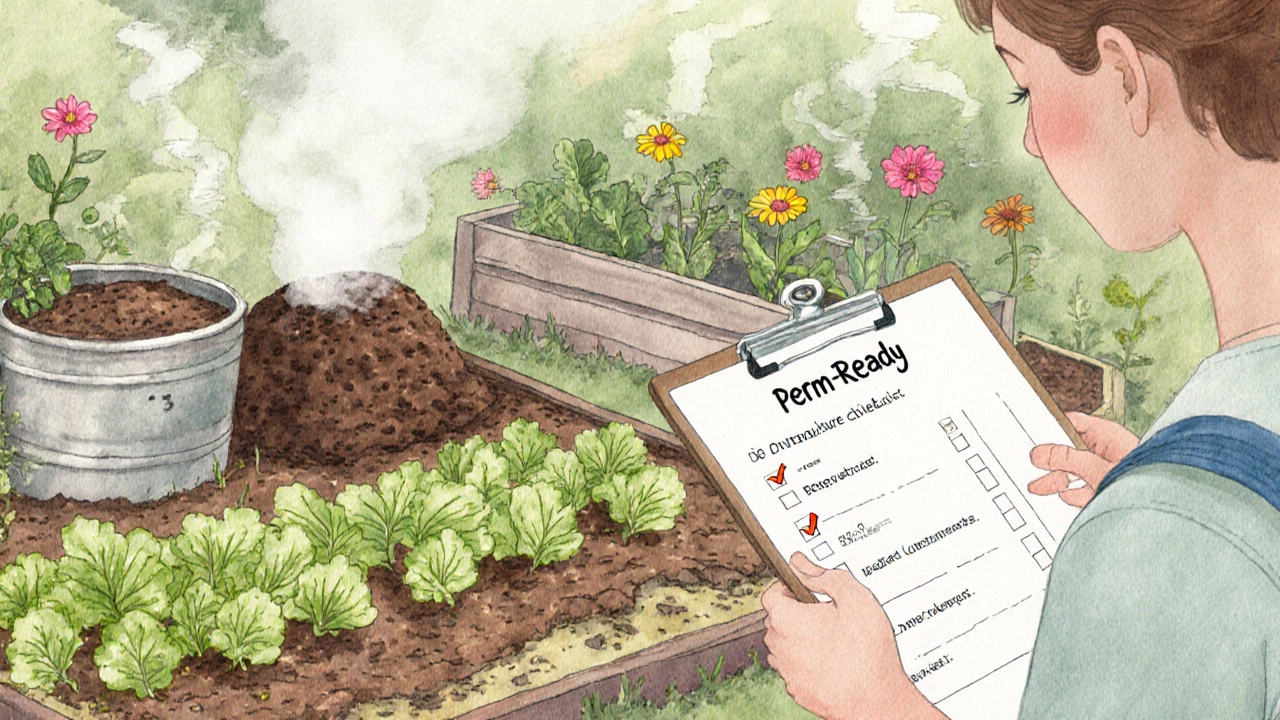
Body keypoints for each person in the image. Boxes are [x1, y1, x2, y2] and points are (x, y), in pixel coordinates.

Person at [760, 0, 1280, 718]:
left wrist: (875, 701)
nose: (1032, 141)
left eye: (1024, 86)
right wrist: (1178, 487)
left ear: (1127, 75)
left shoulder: (1170, 532)